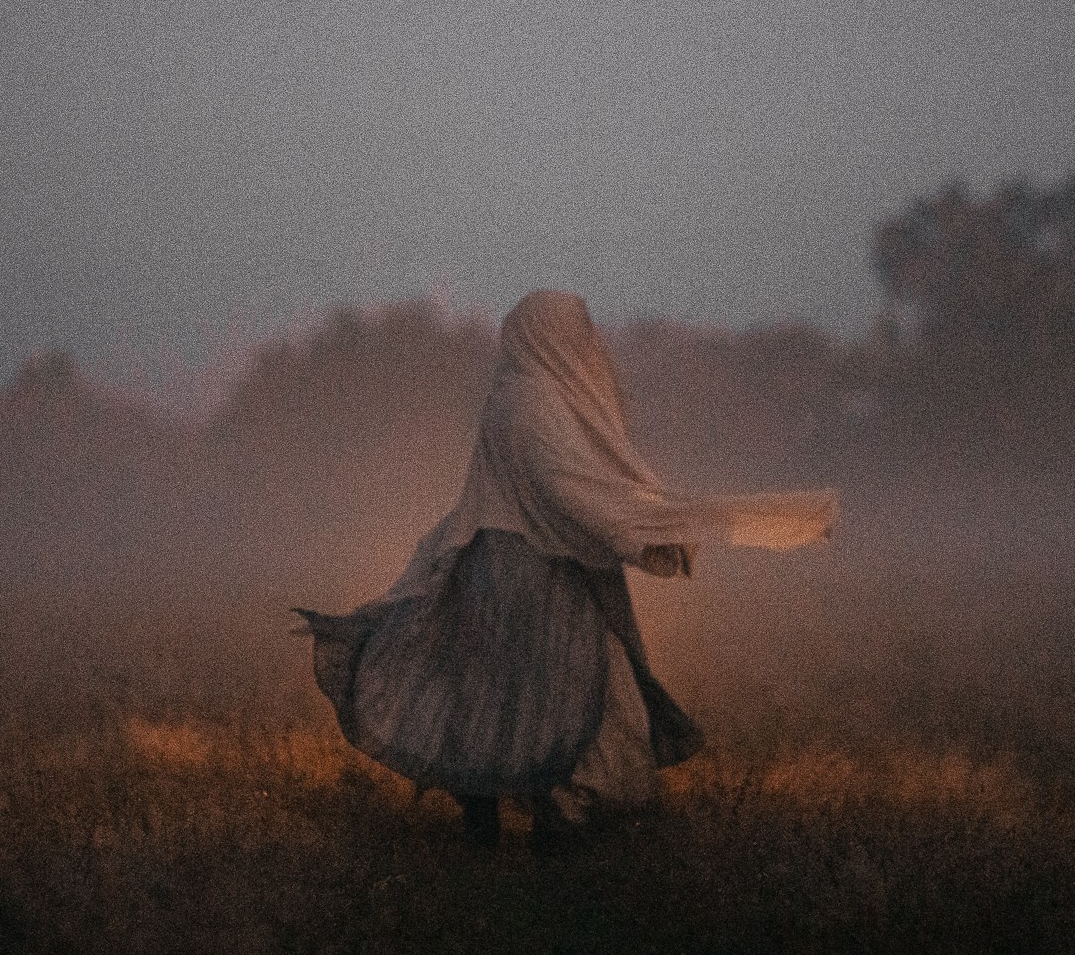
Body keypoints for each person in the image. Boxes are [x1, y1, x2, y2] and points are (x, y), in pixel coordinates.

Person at [295, 290, 838, 849]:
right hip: (535, 576)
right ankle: (553, 828)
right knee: (569, 697)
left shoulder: (518, 397)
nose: (587, 346)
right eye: (575, 333)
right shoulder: (533, 405)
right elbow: (570, 493)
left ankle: (499, 826)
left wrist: (640, 521)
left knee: (492, 695)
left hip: (500, 567)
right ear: (550, 336)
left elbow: (574, 487)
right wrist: (639, 527)